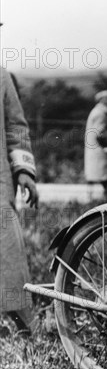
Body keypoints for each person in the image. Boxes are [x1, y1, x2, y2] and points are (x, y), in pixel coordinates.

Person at [1, 65, 39, 333]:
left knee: (7, 248)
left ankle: (21, 323)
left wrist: (24, 171)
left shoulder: (1, 76)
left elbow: (16, 126)